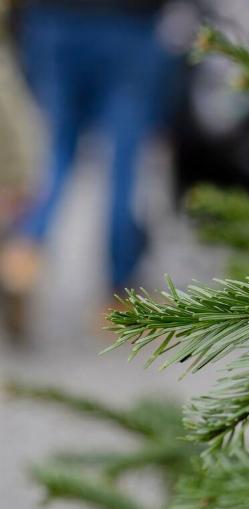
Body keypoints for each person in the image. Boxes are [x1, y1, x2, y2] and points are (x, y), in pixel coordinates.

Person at [0, 0, 177, 339]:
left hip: (53, 21)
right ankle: (118, 291)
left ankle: (23, 251)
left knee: (54, 149)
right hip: (128, 25)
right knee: (122, 160)